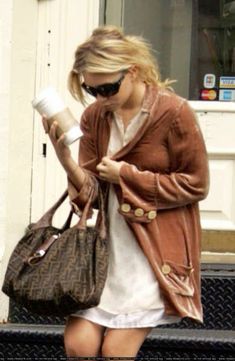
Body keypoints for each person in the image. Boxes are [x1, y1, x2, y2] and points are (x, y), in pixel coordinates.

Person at [42, 25, 209, 358]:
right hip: (106, 250)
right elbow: (90, 193)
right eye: (92, 90)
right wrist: (65, 159)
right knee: (79, 345)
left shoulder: (173, 113)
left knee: (116, 350)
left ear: (132, 71)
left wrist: (127, 176)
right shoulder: (96, 116)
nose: (101, 97)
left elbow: (197, 183)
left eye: (108, 87)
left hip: (154, 250)